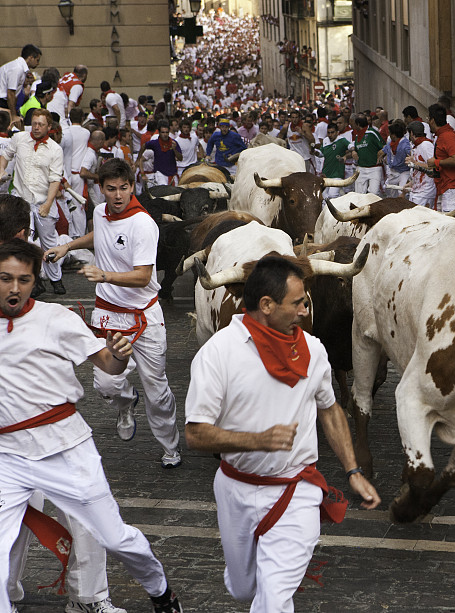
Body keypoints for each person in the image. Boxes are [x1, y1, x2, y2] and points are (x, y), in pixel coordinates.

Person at [184, 255, 380, 612]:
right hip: (236, 489)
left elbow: (330, 409)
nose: (305, 311)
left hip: (297, 491)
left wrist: (352, 470)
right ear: (266, 305)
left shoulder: (315, 350)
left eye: (305, 301)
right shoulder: (219, 352)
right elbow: (196, 435)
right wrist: (255, 440)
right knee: (246, 591)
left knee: (273, 601)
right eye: (298, 303)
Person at [0, 238, 183, 613]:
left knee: (115, 538)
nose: (14, 288)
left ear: (35, 281)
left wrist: (118, 355)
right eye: (4, 278)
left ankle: (160, 589)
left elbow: (107, 364)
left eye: (23, 279)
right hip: (8, 457)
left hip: (67, 448)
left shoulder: (56, 319)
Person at [44, 159, 182, 469]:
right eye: (111, 189)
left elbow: (144, 277)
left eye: (124, 188)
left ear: (132, 187)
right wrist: (68, 246)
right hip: (110, 315)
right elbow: (100, 237)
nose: (118, 195)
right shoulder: (99, 212)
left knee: (156, 389)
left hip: (144, 318)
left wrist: (104, 276)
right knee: (105, 385)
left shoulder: (143, 224)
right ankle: (125, 402)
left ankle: (170, 447)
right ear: (101, 190)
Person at [0, 108, 65, 295]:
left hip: (44, 200)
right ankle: (33, 279)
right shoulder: (20, 139)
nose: (36, 128)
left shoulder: (55, 149)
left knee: (49, 242)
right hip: (22, 201)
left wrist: (48, 204)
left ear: (49, 126)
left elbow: (55, 179)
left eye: (41, 124)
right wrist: (2, 169)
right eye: (34, 123)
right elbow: (6, 155)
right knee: (24, 240)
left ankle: (56, 278)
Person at [426, 103, 455, 213]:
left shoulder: (448, 136)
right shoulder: (443, 135)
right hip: (445, 186)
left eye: (428, 118)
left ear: (432, 120)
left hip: (453, 187)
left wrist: (436, 162)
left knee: (451, 224)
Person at [0, 45, 42, 129]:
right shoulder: (17, 68)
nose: (38, 63)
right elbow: (10, 93)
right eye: (37, 60)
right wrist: (13, 115)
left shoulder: (17, 67)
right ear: (30, 58)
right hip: (2, 101)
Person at [404, 121, 437, 208]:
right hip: (417, 190)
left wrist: (414, 163)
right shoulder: (417, 146)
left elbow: (433, 167)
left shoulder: (426, 145)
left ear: (411, 133)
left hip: (425, 191)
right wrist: (412, 182)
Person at [349, 114, 384, 195]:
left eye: (353, 124)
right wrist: (353, 151)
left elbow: (384, 145)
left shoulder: (372, 133)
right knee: (359, 194)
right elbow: (356, 148)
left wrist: (382, 153)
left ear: (357, 124)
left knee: (373, 193)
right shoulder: (357, 136)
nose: (351, 125)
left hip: (374, 168)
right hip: (361, 168)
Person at [140, 120, 182, 186]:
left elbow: (180, 158)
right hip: (160, 174)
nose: (165, 134)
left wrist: (174, 150)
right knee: (163, 193)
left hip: (173, 175)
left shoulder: (174, 143)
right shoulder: (154, 143)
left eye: (166, 132)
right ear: (159, 132)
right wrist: (138, 159)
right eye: (163, 132)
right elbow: (143, 146)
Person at [378, 120, 411, 198]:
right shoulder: (390, 143)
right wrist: (381, 156)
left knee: (402, 191)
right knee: (388, 190)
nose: (389, 135)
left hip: (404, 172)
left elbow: (411, 154)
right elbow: (382, 152)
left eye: (390, 133)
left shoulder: (405, 144)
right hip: (393, 172)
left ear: (394, 135)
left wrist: (410, 159)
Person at [317, 121, 349, 199]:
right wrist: (314, 152)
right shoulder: (325, 141)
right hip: (326, 173)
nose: (330, 135)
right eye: (328, 133)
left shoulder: (342, 140)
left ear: (337, 132)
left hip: (337, 174)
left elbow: (351, 147)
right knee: (324, 196)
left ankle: (342, 203)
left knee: (332, 195)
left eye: (332, 132)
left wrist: (347, 155)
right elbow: (321, 154)